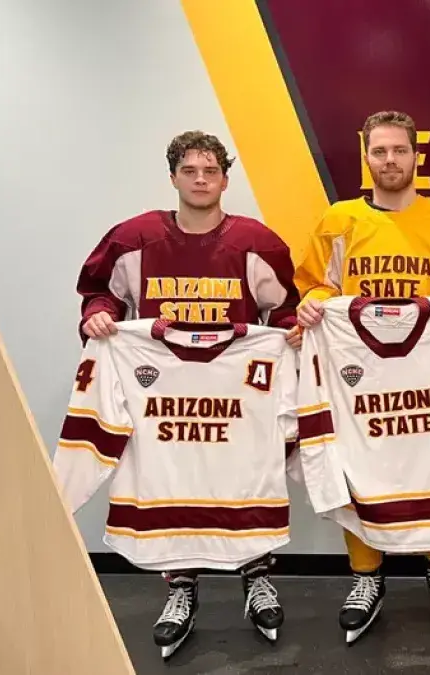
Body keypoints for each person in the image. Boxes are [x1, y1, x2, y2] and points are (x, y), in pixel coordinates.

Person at [76, 130, 301, 654]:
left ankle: (256, 577)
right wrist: (98, 316)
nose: (201, 180)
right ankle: (181, 588)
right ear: (173, 176)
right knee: (168, 482)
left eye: (210, 171)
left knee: (243, 479)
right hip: (163, 394)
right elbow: (97, 293)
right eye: (189, 171)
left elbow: (284, 306)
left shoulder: (255, 242)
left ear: (226, 177)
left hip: (235, 393)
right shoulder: (134, 238)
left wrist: (289, 329)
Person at [293, 110, 430, 643]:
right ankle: (365, 577)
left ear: (416, 156)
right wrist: (312, 305)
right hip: (360, 375)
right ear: (366, 156)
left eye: (399, 150)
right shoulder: (339, 221)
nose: (390, 161)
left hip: (429, 372)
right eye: (379, 151)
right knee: (362, 463)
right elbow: (315, 286)